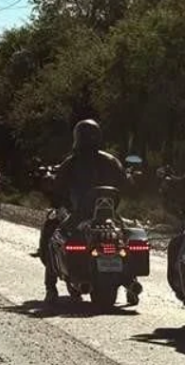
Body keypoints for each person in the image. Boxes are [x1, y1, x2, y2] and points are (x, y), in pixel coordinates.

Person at [40, 119, 128, 304]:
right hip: (110, 214)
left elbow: (57, 189)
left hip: (78, 214)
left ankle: (51, 287)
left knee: (53, 237)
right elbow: (127, 185)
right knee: (125, 237)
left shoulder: (71, 163)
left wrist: (54, 192)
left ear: (77, 137)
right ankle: (130, 281)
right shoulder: (111, 161)